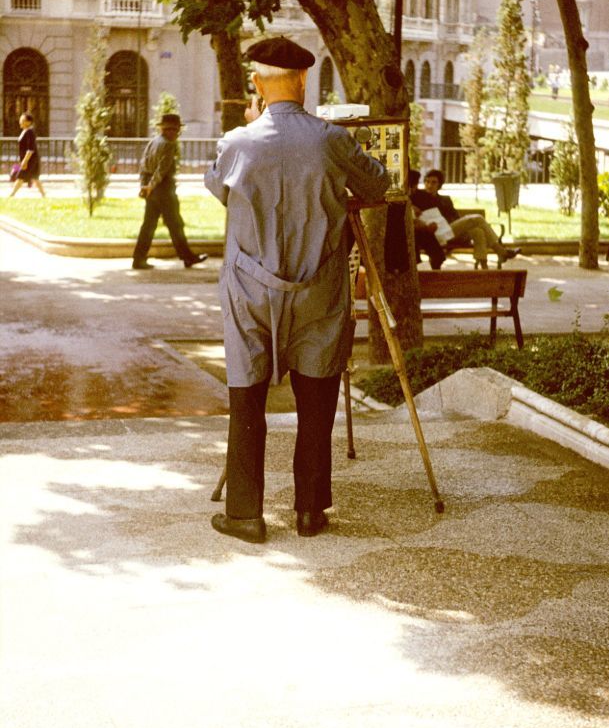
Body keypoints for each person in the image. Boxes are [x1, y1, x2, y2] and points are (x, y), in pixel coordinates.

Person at [205, 35, 390, 543]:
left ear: (257, 86)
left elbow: (220, 190)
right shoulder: (332, 139)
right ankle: (309, 510)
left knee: (247, 398)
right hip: (318, 289)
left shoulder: (236, 142)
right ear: (304, 81)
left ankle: (245, 514)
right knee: (315, 401)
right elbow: (378, 186)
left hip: (249, 292)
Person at [131, 112, 208, 270]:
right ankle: (187, 257)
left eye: (176, 130)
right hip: (163, 189)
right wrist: (150, 186)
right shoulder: (168, 144)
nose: (174, 133)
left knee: (149, 225)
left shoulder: (154, 141)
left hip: (152, 189)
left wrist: (145, 186)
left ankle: (139, 259)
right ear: (164, 130)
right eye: (170, 129)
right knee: (174, 224)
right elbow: (161, 170)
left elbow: (143, 165)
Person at [409, 168, 521, 270]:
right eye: (427, 182)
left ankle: (484, 268)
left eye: (433, 182)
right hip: (433, 234)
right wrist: (412, 206)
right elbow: (407, 200)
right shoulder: (418, 196)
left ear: (439, 184)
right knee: (477, 218)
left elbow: (455, 217)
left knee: (478, 231)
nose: (429, 185)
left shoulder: (445, 200)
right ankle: (500, 251)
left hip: (449, 230)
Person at [9, 113, 46, 197]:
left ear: (28, 122)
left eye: (23, 120)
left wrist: (24, 161)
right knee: (35, 178)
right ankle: (44, 195)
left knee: (21, 176)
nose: (20, 121)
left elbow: (30, 149)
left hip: (30, 159)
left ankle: (12, 195)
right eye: (21, 119)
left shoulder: (30, 132)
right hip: (31, 159)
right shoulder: (25, 131)